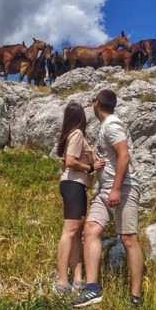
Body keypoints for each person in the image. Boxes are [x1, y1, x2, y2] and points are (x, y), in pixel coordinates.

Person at [73, 89, 143, 308]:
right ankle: (93, 288)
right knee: (91, 230)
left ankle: (136, 297)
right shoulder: (107, 127)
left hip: (122, 189)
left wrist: (116, 188)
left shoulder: (112, 125)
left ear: (96, 103)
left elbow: (124, 155)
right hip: (105, 190)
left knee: (128, 239)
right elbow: (112, 157)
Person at [54, 102, 105, 296]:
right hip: (73, 185)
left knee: (76, 232)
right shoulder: (77, 134)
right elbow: (70, 161)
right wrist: (92, 167)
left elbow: (67, 161)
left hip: (75, 185)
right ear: (81, 118)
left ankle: (77, 279)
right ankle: (62, 281)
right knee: (70, 231)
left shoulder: (71, 134)